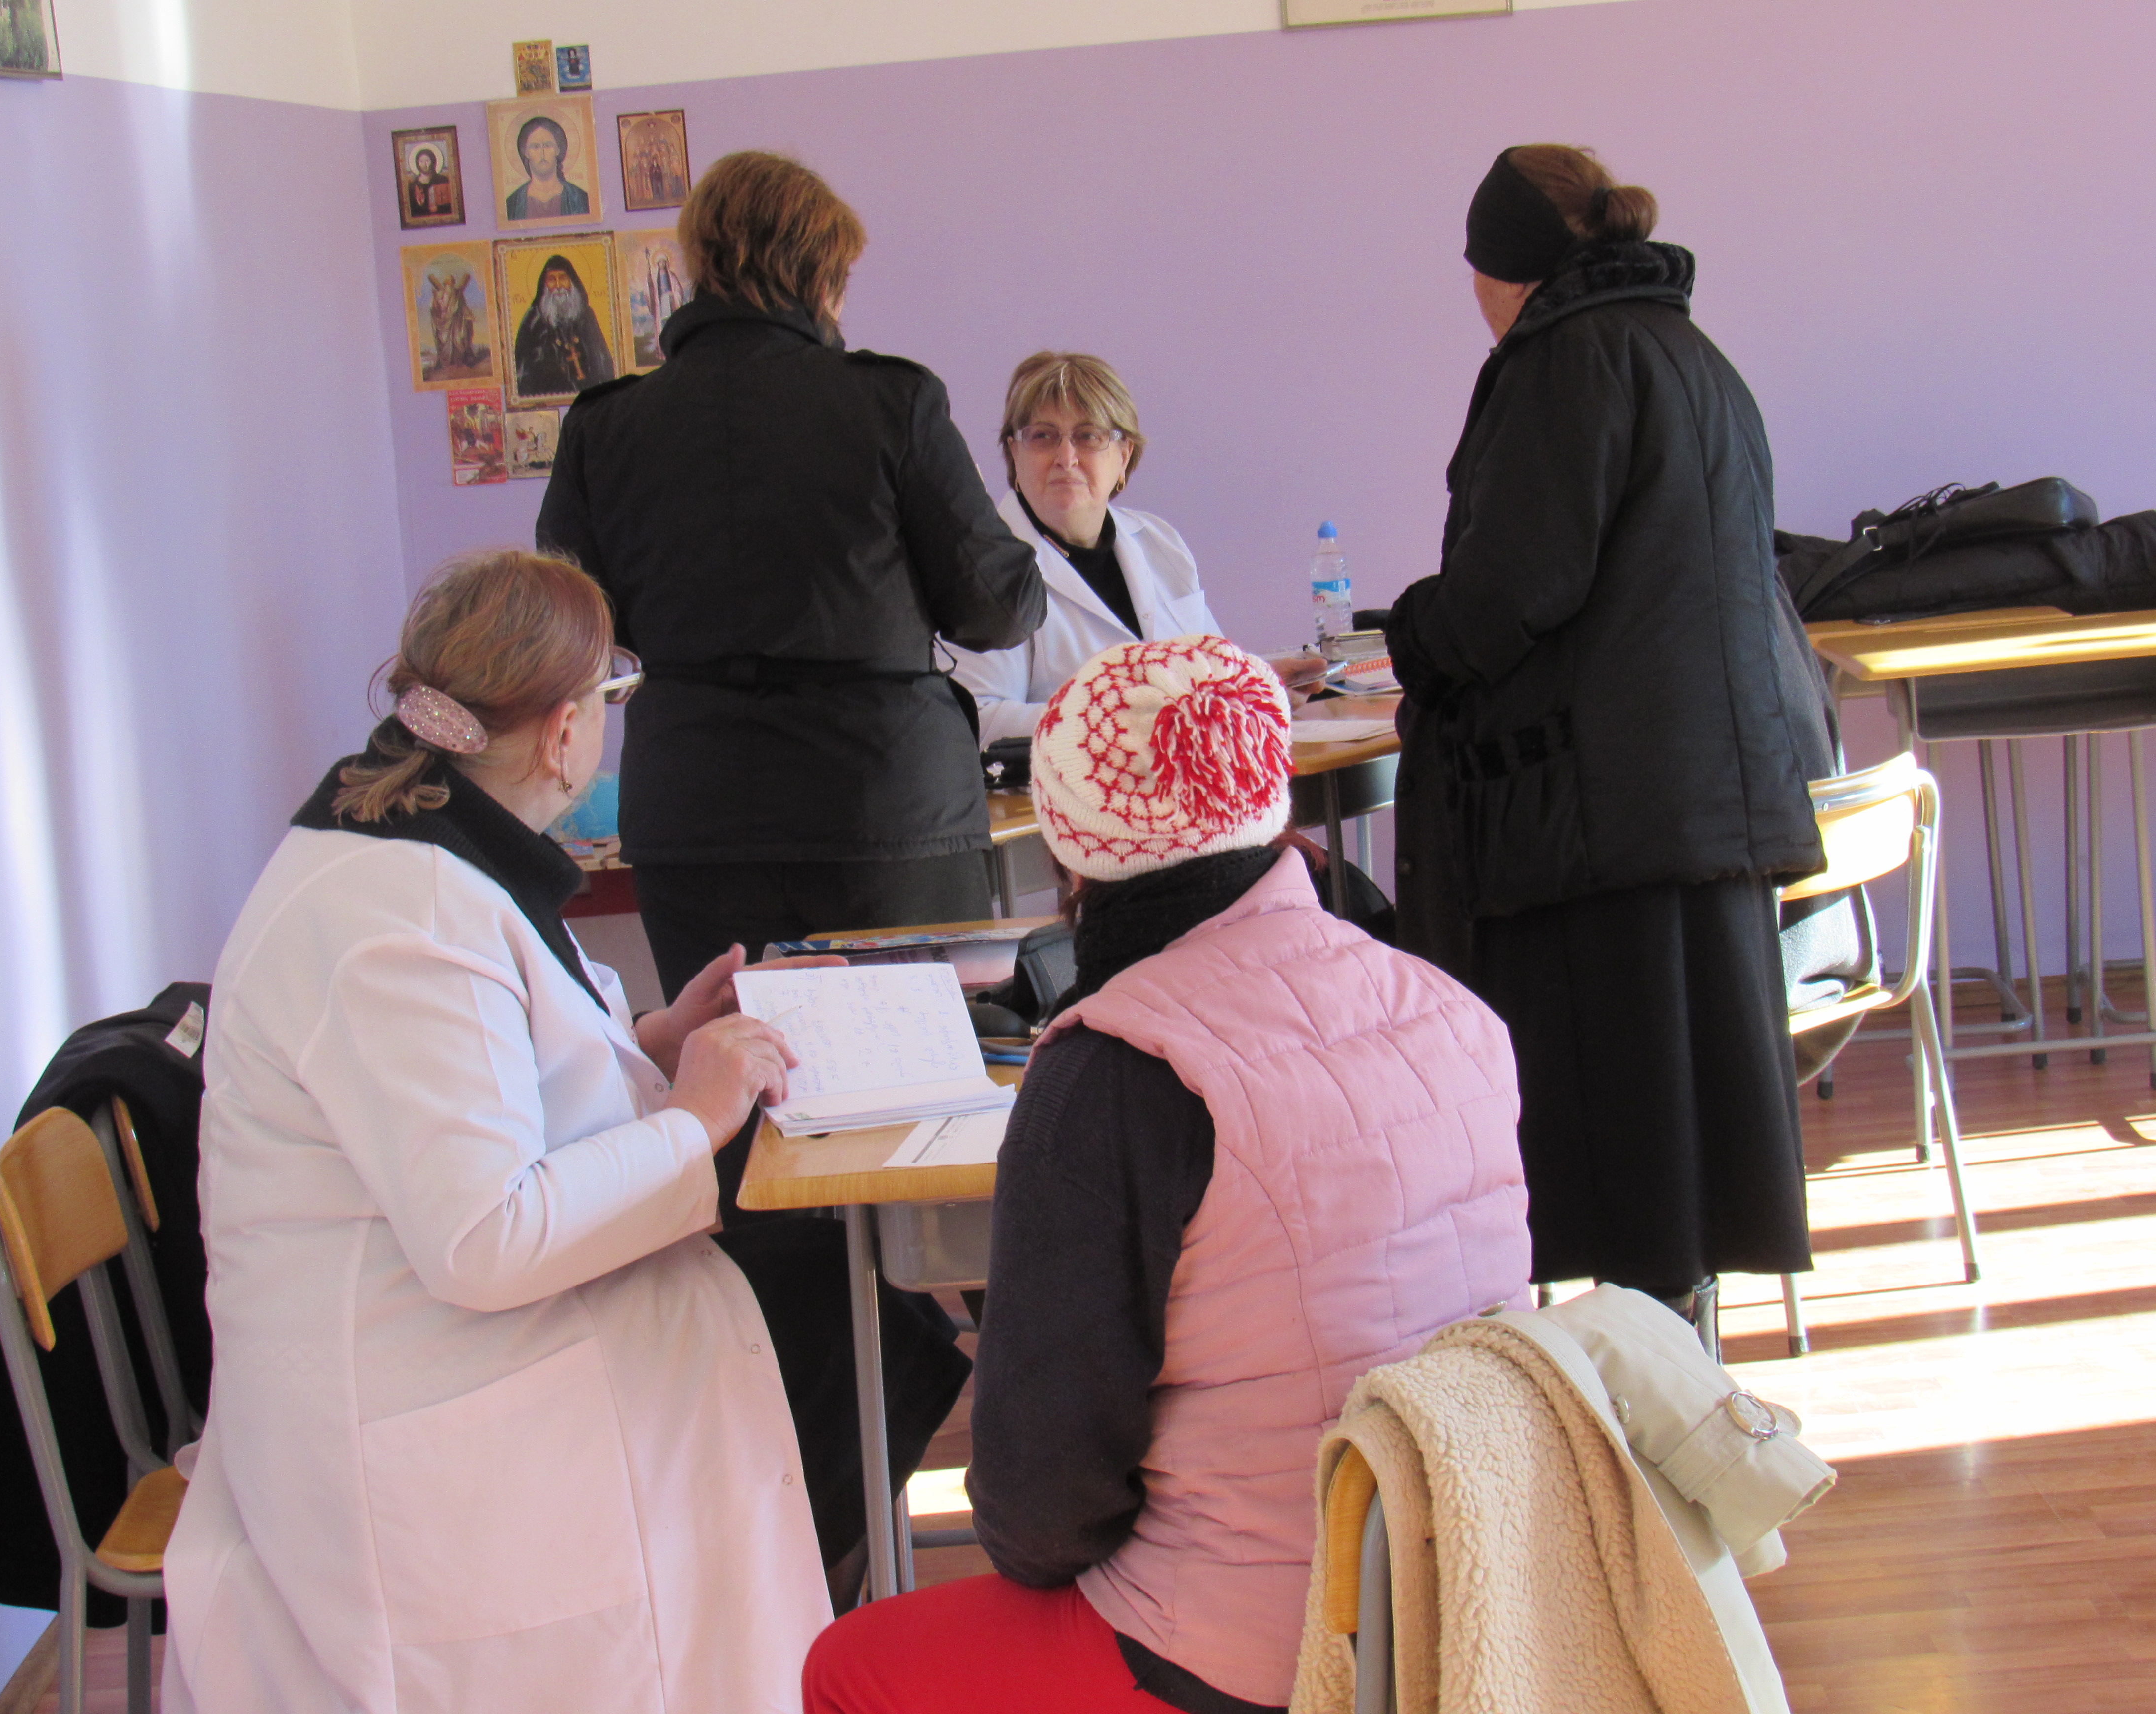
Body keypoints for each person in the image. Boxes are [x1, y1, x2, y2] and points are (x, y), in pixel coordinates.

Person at [801, 637, 1533, 1714]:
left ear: (1068, 851)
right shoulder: (1445, 1005)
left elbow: (1039, 1516)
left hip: (1260, 1651)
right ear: (1271, 800)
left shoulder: (1115, 1070)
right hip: (1464, 1597)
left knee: (847, 1666)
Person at [162, 551, 832, 1713]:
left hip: (443, 1347)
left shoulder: (432, 845)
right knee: (814, 1328)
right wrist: (694, 1116)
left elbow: (493, 1080)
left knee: (817, 1316)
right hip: (419, 1427)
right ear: (569, 729)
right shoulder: (398, 917)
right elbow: (483, 1235)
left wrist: (652, 1043)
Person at [536, 149, 1045, 1603]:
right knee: (917, 1125)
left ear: (700, 262)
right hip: (883, 813)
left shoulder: (609, 423)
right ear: (826, 269)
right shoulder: (890, 403)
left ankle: (794, 1507)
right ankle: (924, 1401)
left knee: (753, 1141)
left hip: (699, 805)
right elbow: (996, 600)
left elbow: (582, 618)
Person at [1382, 145, 1834, 1332]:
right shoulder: (1693, 355)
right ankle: (1677, 1390)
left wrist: (1413, 631)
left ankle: (1625, 1409)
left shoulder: (1562, 361)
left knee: (1623, 1142)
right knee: (1680, 1155)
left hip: (1596, 821)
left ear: (1502, 270)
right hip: (1702, 798)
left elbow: (1514, 587)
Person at [946, 352, 1324, 750]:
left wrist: (1257, 686)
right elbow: (978, 718)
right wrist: (1140, 719)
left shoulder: (1160, 541)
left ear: (1123, 456)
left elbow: (1209, 674)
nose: (1066, 458)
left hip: (1191, 776)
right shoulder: (983, 568)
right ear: (1014, 453)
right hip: (1063, 789)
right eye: (1043, 437)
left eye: (1088, 436)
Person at [512, 254, 614, 399]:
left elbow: (601, 358)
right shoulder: (533, 320)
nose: (559, 286)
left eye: (563, 278)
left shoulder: (585, 315)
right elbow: (523, 370)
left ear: (572, 282)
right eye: (552, 280)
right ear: (545, 284)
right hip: (551, 393)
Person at [503, 113, 589, 219]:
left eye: (548, 146)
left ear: (558, 149)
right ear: (526, 152)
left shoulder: (580, 199)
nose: (542, 154)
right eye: (535, 147)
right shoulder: (512, 204)